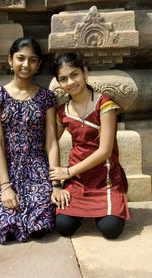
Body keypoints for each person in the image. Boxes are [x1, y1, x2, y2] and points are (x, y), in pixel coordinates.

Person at [0, 37, 65, 244]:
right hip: (8, 170)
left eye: (32, 60)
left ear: (39, 64)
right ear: (10, 60)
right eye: (20, 58)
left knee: (40, 226)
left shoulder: (46, 97)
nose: (26, 65)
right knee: (4, 226)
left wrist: (56, 184)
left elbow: (52, 142)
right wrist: (5, 186)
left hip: (37, 169)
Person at [50, 52, 130, 239]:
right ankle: (81, 213)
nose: (70, 82)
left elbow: (105, 151)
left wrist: (67, 171)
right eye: (63, 79)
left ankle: (112, 205)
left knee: (110, 229)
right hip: (77, 181)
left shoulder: (104, 104)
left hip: (106, 178)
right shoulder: (63, 111)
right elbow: (52, 142)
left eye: (74, 75)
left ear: (84, 72)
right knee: (63, 226)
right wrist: (56, 185)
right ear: (59, 83)